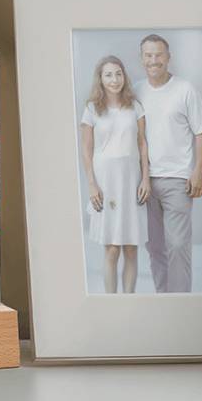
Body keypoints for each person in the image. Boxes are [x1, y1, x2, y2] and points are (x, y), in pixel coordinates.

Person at [133, 34, 202, 293]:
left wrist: (198, 172)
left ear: (168, 57)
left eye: (158, 54)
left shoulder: (184, 90)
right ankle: (163, 301)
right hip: (144, 181)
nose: (153, 60)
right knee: (155, 246)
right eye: (148, 55)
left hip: (178, 179)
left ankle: (180, 304)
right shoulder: (136, 91)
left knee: (177, 244)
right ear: (142, 58)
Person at [80, 56, 151, 293]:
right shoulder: (91, 109)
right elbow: (87, 151)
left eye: (118, 73)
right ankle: (111, 302)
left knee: (131, 247)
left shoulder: (135, 106)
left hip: (132, 179)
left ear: (124, 76)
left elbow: (142, 145)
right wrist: (92, 185)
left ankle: (129, 299)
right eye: (108, 74)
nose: (114, 79)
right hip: (105, 180)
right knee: (111, 248)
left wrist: (145, 179)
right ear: (100, 78)